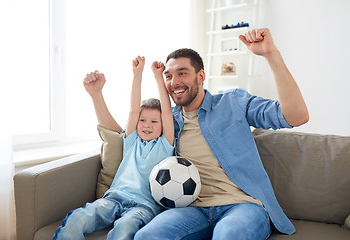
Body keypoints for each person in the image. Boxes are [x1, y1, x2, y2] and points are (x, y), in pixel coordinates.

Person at [134, 28, 309, 240]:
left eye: (182, 73)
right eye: (168, 76)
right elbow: (125, 134)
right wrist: (96, 95)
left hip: (242, 206)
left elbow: (296, 116)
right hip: (193, 209)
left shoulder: (232, 102)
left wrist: (271, 54)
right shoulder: (167, 121)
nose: (174, 82)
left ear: (201, 76)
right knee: (147, 236)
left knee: (228, 236)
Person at [53, 56, 175, 240]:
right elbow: (133, 109)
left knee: (124, 229)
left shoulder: (165, 146)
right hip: (113, 199)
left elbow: (166, 112)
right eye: (142, 120)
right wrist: (137, 74)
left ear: (163, 125)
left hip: (143, 207)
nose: (146, 125)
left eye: (153, 121)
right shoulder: (131, 140)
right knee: (78, 218)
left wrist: (158, 77)